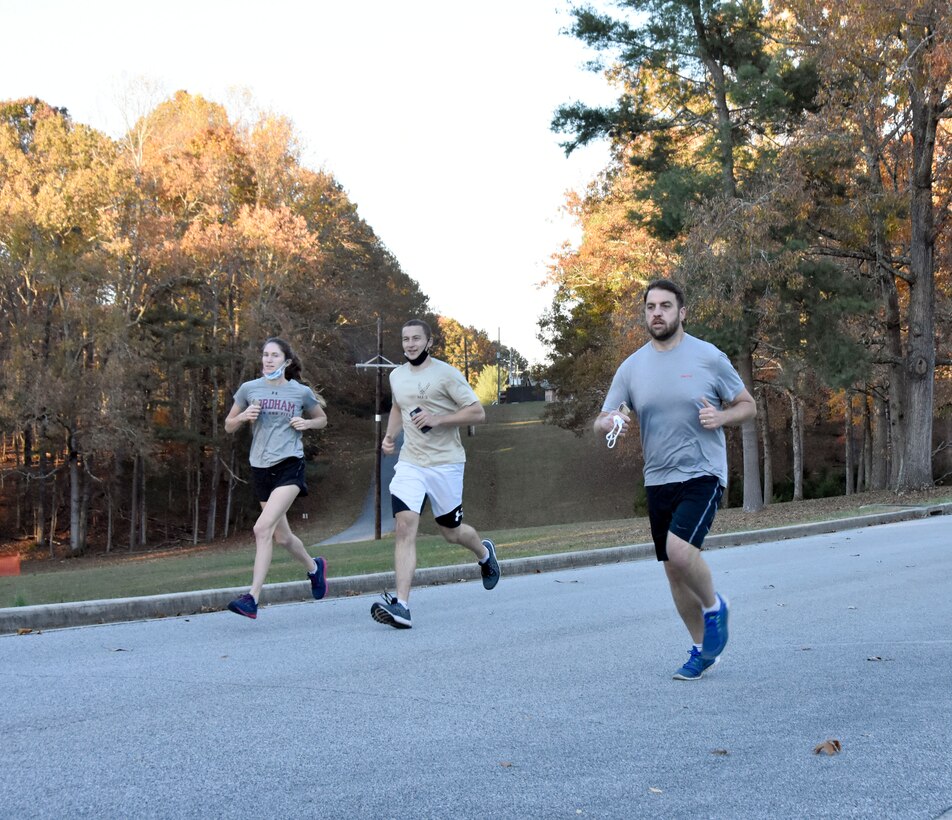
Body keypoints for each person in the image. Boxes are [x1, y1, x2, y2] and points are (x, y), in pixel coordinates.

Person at [594, 280, 756, 680]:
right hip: (658, 478)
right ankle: (703, 650)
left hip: (703, 471)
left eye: (666, 306)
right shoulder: (631, 367)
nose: (657, 313)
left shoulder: (708, 357)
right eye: (651, 307)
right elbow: (601, 421)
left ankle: (716, 606)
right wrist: (610, 420)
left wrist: (721, 417)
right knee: (671, 567)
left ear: (682, 312)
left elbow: (747, 405)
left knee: (680, 552)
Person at [371, 319, 500, 628]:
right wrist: (389, 437)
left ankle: (484, 553)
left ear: (429, 342)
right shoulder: (397, 376)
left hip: (446, 463)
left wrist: (438, 418)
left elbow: (478, 412)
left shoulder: (446, 374)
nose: (410, 344)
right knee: (405, 526)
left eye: (417, 338)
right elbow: (398, 408)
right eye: (405, 339)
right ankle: (402, 606)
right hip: (411, 463)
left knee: (451, 532)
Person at [224, 337, 330, 619]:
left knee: (262, 529)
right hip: (260, 468)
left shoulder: (299, 392)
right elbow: (228, 425)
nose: (267, 360)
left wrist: (307, 423)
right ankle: (315, 568)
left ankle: (252, 598)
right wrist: (244, 415)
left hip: (289, 466)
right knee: (283, 537)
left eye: (274, 356)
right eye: (264, 355)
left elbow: (322, 419)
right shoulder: (249, 389)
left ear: (286, 362)